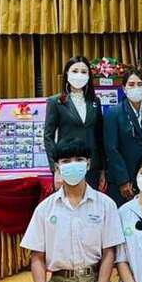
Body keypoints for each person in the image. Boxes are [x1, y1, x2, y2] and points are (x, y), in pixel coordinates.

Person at [20, 139, 123, 282]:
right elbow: (36, 258)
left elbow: (109, 253)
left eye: (79, 160)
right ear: (57, 167)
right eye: (66, 161)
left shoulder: (105, 205)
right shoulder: (45, 209)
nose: (72, 165)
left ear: (88, 164)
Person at [44, 56, 105, 189]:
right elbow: (48, 137)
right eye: (75, 71)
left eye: (83, 72)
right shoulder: (56, 102)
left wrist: (102, 170)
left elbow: (99, 137)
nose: (79, 75)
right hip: (67, 167)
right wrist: (56, 169)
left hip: (91, 167)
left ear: (89, 76)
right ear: (67, 73)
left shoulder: (95, 101)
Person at [104, 68, 142, 205]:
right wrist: (123, 180)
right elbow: (111, 149)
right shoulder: (114, 113)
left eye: (140, 84)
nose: (136, 88)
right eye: (131, 84)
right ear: (124, 88)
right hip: (123, 178)